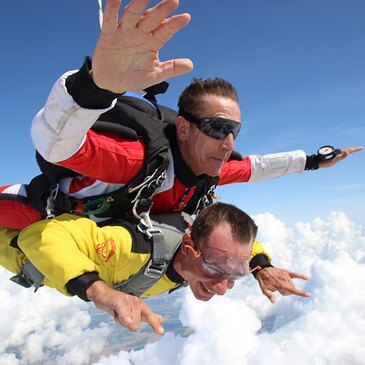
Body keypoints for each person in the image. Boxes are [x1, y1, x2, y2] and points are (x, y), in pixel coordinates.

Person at [0, 0, 361, 302]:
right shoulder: (133, 161)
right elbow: (55, 144)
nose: (230, 143)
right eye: (220, 128)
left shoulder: (210, 171)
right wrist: (95, 87)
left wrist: (314, 161)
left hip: (102, 235)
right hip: (38, 213)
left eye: (235, 131)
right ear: (184, 129)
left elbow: (259, 167)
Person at [0, 202, 259, 334]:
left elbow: (232, 251)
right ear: (189, 244)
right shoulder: (131, 247)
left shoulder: (200, 260)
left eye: (235, 275)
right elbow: (39, 235)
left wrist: (262, 265)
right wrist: (97, 289)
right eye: (214, 268)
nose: (222, 288)